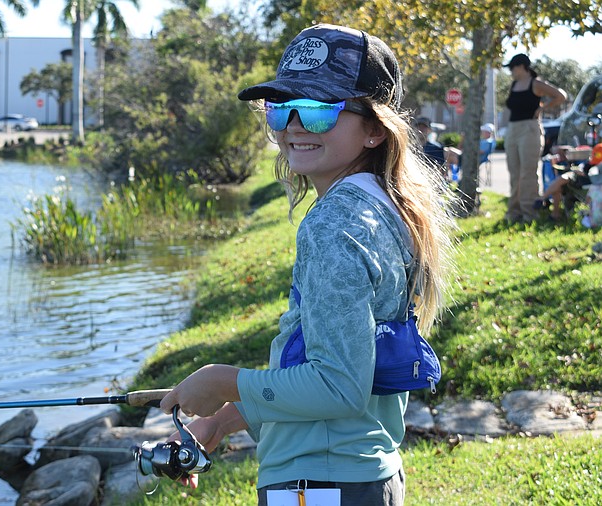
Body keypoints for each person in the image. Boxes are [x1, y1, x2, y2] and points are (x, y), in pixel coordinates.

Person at [159, 23, 456, 506]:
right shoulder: (382, 207)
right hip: (362, 477)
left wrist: (224, 381)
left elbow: (337, 387)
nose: (294, 125)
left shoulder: (334, 224)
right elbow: (336, 366)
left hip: (319, 487)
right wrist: (221, 421)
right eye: (281, 107)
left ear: (375, 129)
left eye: (319, 109)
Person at [503, 53, 567, 223]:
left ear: (521, 66)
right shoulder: (514, 85)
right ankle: (513, 212)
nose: (511, 71)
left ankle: (529, 213)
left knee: (528, 172)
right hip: (512, 129)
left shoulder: (536, 83)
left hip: (529, 129)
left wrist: (543, 108)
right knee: (514, 173)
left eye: (512, 68)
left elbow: (561, 96)